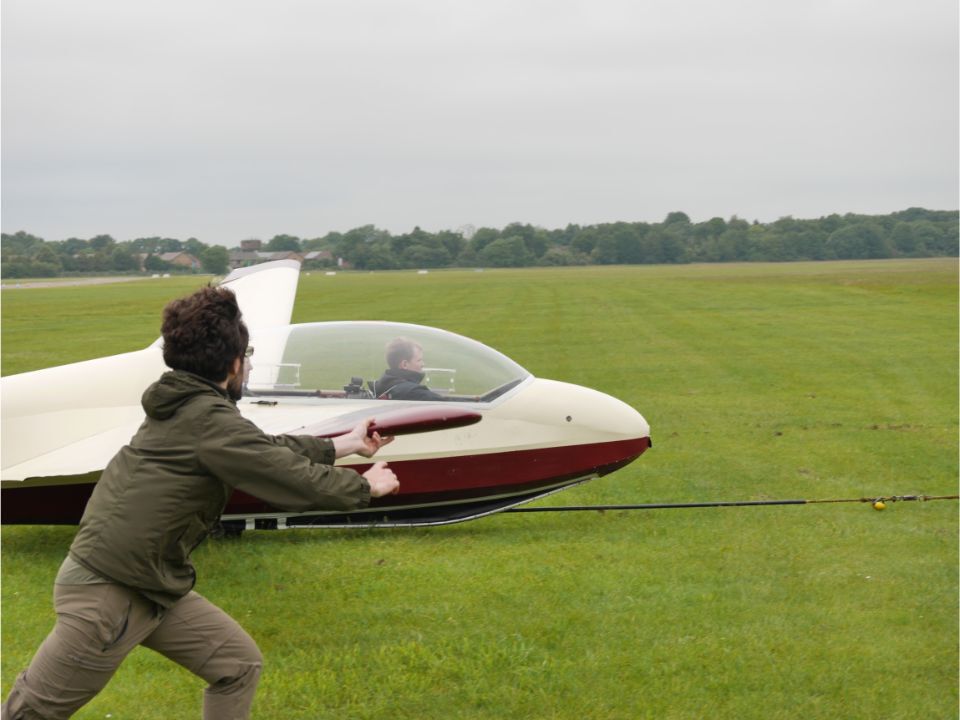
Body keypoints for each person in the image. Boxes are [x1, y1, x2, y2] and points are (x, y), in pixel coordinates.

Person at [2, 285, 399, 720]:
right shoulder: (205, 418)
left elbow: (262, 449)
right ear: (233, 364)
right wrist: (365, 487)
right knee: (30, 712)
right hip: (109, 592)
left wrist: (344, 444)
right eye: (247, 356)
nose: (248, 365)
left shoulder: (192, 409)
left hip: (152, 583)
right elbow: (287, 476)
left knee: (237, 665)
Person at [373, 337, 447, 401]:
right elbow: (445, 403)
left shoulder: (383, 385)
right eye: (419, 360)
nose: (423, 364)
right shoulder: (412, 392)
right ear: (405, 364)